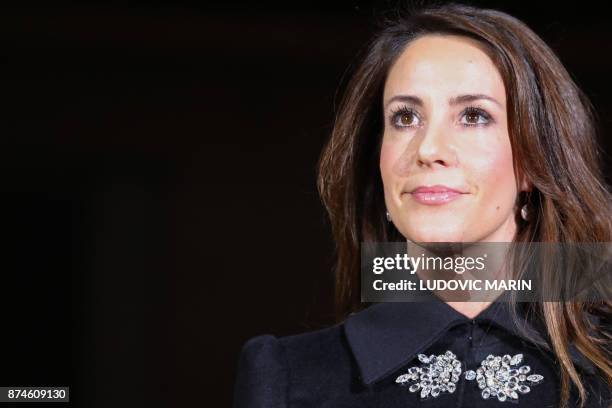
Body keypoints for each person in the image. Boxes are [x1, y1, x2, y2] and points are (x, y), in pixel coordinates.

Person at [232, 3, 612, 407]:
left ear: (533, 163)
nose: (429, 149)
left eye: (474, 116)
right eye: (405, 118)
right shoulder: (287, 375)